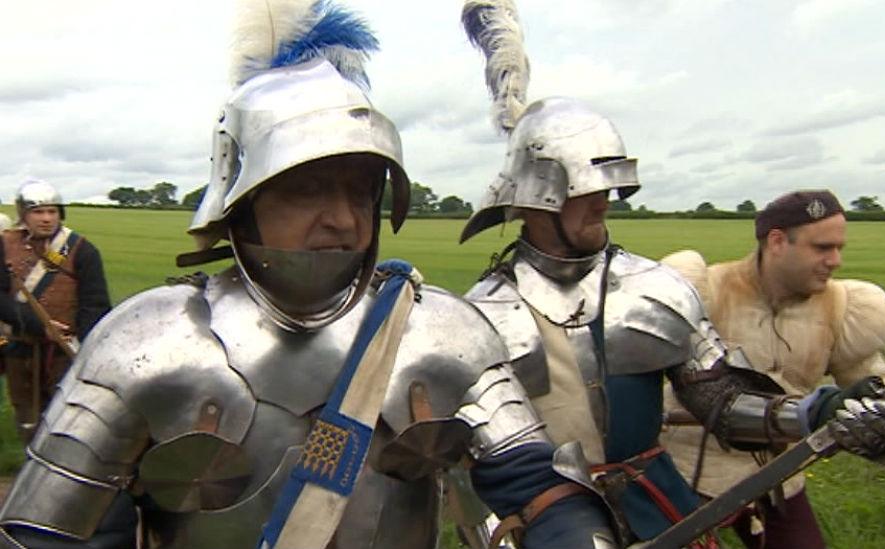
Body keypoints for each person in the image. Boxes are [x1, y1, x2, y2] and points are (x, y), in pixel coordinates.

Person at [0, 3, 615, 548]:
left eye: (360, 190)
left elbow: (536, 482)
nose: (343, 219)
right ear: (241, 202)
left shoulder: (443, 331)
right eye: (308, 190)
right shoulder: (146, 342)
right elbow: (50, 530)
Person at [457, 2, 885, 547]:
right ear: (539, 197)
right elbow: (482, 450)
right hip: (543, 516)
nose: (604, 205)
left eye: (607, 190)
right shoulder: (482, 311)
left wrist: (810, 412)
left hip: (656, 507)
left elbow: (722, 402)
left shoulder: (653, 289)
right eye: (586, 192)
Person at [659, 190, 885, 549]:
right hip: (690, 474)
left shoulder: (842, 307)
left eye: (839, 248)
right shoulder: (703, 291)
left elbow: (873, 386)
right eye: (822, 248)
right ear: (776, 242)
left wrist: (882, 412)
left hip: (779, 478)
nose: (835, 261)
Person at [0, 179, 110, 444]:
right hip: (20, 347)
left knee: (66, 419)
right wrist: (39, 325)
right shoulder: (4, 245)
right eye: (38, 212)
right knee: (27, 417)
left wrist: (85, 349)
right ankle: (31, 474)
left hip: (64, 352)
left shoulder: (81, 249)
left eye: (52, 211)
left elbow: (94, 304)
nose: (47, 219)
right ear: (24, 214)